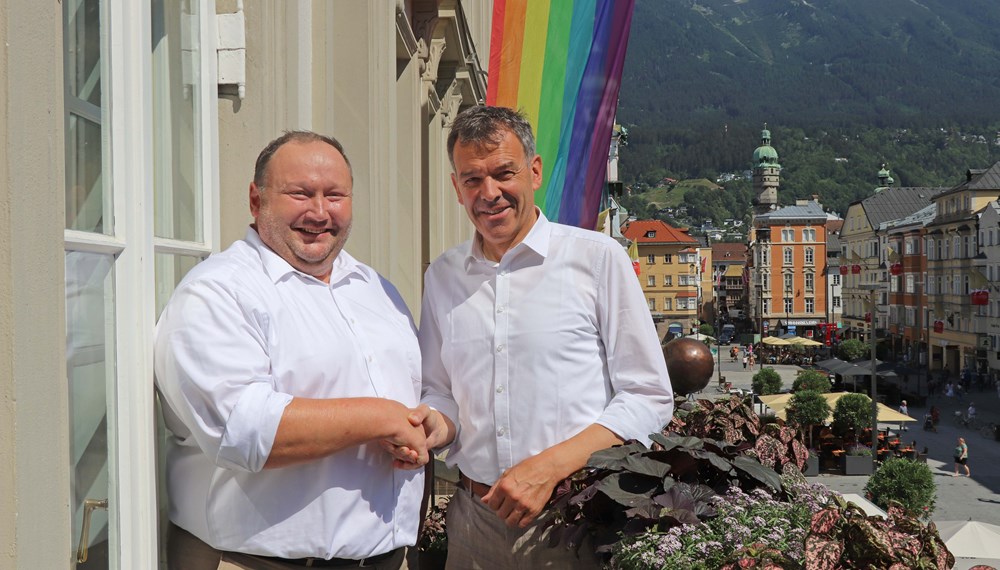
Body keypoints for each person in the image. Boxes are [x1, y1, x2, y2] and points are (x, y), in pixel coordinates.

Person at [400, 106, 674, 568]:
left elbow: (648, 397)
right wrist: (431, 427)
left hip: (574, 521)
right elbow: (441, 391)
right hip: (474, 524)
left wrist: (551, 467)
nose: (489, 194)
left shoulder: (598, 259)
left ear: (534, 170)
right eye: (472, 180)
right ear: (456, 188)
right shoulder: (443, 276)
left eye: (503, 173)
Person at [154, 131, 428, 570]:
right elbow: (242, 429)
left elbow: (414, 393)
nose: (319, 212)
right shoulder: (218, 291)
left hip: (387, 559)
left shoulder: (377, 289)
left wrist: (427, 423)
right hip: (253, 562)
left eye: (335, 195)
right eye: (300, 193)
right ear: (256, 199)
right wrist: (381, 417)